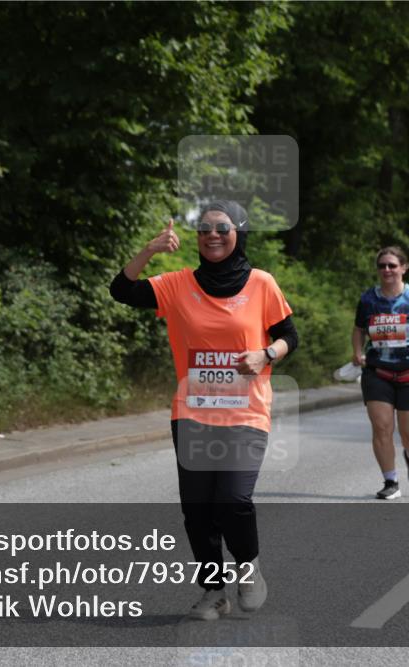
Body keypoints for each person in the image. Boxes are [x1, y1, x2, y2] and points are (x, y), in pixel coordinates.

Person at [109, 201, 298, 620]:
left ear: (239, 233)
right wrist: (148, 251)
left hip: (246, 413)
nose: (213, 235)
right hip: (192, 413)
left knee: (232, 500)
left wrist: (266, 354)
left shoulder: (262, 284)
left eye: (222, 228)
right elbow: (120, 291)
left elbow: (289, 335)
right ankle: (213, 592)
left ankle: (247, 565)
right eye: (205, 229)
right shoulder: (177, 285)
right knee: (197, 511)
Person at [353, 247, 409, 500]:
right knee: (381, 428)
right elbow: (359, 329)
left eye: (392, 265)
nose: (387, 270)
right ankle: (390, 481)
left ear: (404, 268)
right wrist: (357, 351)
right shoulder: (368, 299)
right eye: (382, 265)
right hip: (377, 372)